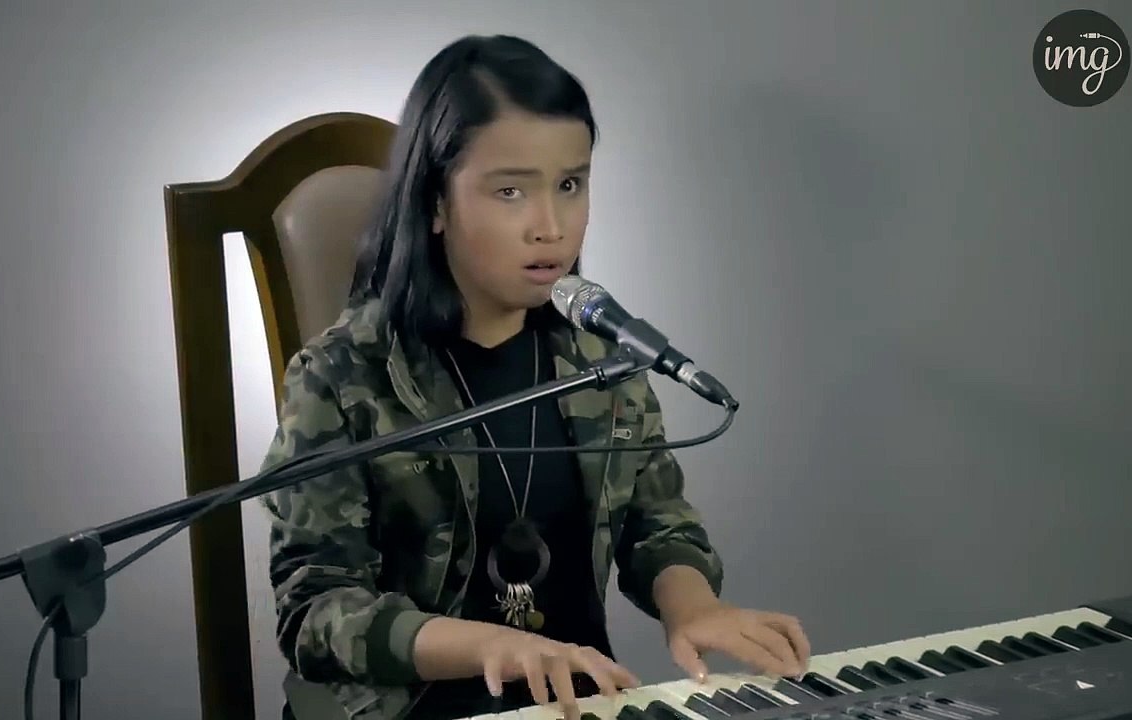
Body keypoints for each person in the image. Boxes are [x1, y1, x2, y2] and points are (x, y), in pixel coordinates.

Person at [259, 34, 811, 720]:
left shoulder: (601, 357)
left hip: (574, 706)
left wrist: (693, 607)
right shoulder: (341, 377)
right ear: (436, 203)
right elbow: (315, 611)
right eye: (511, 191)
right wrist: (491, 647)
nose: (551, 227)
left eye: (571, 185)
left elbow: (657, 523)